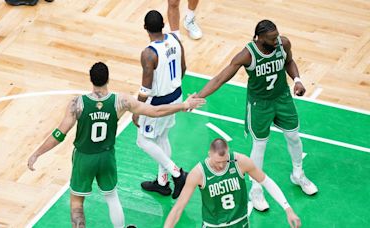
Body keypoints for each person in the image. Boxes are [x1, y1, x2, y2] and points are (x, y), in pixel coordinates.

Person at [27, 62, 205, 228]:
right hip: (106, 157)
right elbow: (156, 111)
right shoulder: (121, 101)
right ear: (108, 79)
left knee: (77, 204)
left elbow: (59, 134)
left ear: (91, 79)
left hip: (84, 158)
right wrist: (184, 105)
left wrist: (37, 153)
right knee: (112, 197)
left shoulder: (77, 104)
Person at [195, 20, 318, 211]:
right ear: (259, 38)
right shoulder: (247, 55)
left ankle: (298, 174)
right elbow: (220, 78)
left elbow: (289, 62)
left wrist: (298, 80)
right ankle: (256, 189)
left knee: (293, 136)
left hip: (282, 98)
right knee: (260, 145)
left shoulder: (283, 44)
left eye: (277, 36)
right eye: (272, 38)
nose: (277, 40)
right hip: (260, 105)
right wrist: (198, 96)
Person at [164, 138, 301, 228]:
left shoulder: (240, 162)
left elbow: (266, 181)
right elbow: (178, 208)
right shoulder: (198, 173)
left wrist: (288, 209)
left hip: (240, 223)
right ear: (209, 154)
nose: (222, 165)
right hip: (214, 225)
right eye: (218, 162)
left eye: (225, 160)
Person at [132, 10, 188, 199]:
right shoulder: (174, 39)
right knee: (162, 137)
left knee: (143, 141)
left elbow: (145, 88)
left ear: (145, 28)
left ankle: (177, 174)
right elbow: (184, 68)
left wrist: (136, 109)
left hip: (158, 104)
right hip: (177, 96)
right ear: (163, 24)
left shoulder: (149, 53)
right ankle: (162, 183)